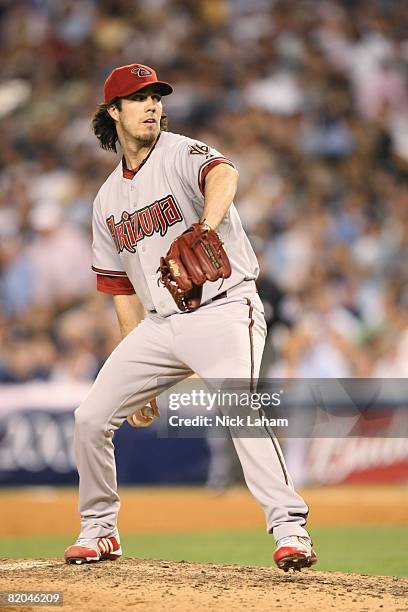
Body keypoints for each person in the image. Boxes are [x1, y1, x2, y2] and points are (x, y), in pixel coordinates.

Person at [63, 63, 317, 571]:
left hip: (225, 307)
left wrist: (205, 223)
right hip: (159, 325)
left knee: (237, 404)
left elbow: (225, 174)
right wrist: (144, 380)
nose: (151, 105)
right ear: (113, 112)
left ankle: (290, 529)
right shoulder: (106, 200)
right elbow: (121, 290)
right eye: (138, 99)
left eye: (155, 96)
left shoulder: (180, 151)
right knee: (90, 419)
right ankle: (100, 528)